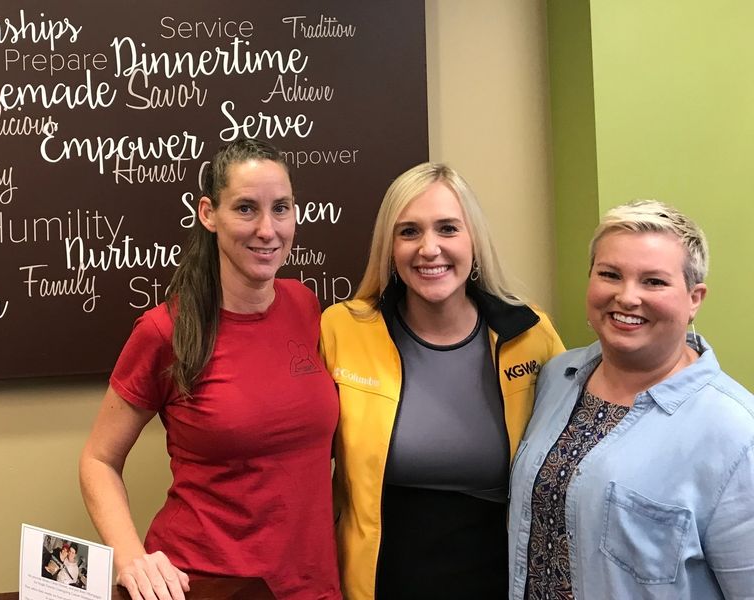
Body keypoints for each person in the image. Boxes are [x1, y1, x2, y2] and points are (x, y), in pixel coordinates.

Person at [79, 138, 341, 600]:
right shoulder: (165, 331)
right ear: (208, 213)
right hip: (206, 585)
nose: (267, 228)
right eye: (245, 208)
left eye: (281, 208)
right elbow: (98, 460)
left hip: (313, 586)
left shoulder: (305, 306)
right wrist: (130, 557)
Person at [320, 162, 564, 599]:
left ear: (474, 240)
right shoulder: (342, 330)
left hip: (499, 578)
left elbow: (573, 452)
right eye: (409, 232)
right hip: (379, 581)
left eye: (448, 229)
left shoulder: (530, 334)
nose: (428, 248)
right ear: (389, 247)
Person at [508, 200, 754, 599]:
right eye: (610, 274)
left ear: (695, 298)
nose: (627, 297)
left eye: (653, 282)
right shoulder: (557, 378)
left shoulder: (735, 433)